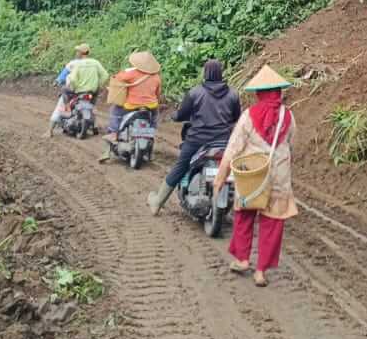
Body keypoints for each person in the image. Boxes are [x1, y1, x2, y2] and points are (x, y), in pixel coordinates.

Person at [211, 65, 296, 287]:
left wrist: (221, 177)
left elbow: (233, 148)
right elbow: (291, 144)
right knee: (272, 223)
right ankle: (261, 271)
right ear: (278, 92)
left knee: (244, 215)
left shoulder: (249, 116)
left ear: (259, 93)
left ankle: (242, 259)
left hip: (252, 175)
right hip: (278, 175)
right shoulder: (288, 116)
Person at [148, 59, 241, 213]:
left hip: (196, 141)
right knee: (232, 169)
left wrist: (174, 116)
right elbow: (236, 117)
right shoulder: (233, 94)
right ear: (221, 73)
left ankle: (157, 202)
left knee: (181, 166)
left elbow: (182, 114)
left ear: (205, 73)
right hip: (223, 142)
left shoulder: (195, 92)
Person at [100, 50, 163, 162]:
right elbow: (158, 94)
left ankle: (114, 133)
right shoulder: (156, 77)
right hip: (150, 106)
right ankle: (151, 133)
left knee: (115, 110)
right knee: (154, 117)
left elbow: (116, 79)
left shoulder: (131, 73)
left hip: (132, 105)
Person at [49, 44, 109, 137]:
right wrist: (98, 85)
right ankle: (94, 124)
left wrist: (72, 86)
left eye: (77, 51)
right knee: (92, 105)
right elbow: (105, 75)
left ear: (80, 53)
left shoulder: (75, 64)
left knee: (64, 90)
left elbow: (70, 78)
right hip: (92, 91)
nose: (76, 53)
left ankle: (66, 111)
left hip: (79, 91)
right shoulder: (95, 62)